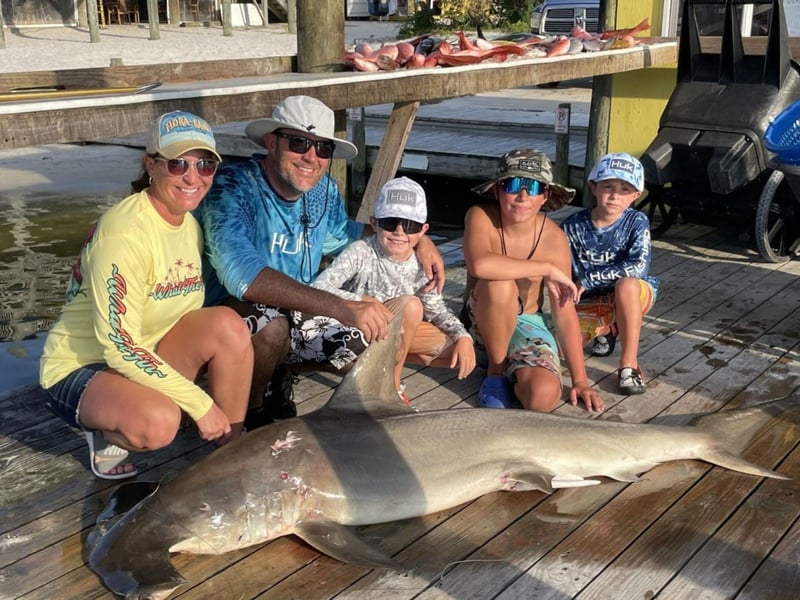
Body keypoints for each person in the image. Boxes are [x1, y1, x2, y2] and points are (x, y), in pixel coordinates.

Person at [196, 95, 445, 429]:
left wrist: (420, 240)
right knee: (271, 327)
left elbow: (351, 233)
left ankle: (285, 375)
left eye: (323, 148)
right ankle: (252, 413)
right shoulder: (232, 186)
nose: (311, 157)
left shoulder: (321, 191)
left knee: (370, 339)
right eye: (299, 143)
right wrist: (339, 306)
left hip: (301, 310)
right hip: (234, 311)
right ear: (272, 142)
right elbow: (242, 276)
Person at [40, 111, 253, 480]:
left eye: (205, 165)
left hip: (144, 351)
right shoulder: (124, 234)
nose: (192, 177)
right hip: (81, 367)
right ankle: (106, 433)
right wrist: (199, 402)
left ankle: (229, 454)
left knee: (229, 326)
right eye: (177, 164)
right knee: (159, 423)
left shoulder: (189, 223)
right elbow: (118, 346)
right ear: (150, 165)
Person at [463, 149, 605, 413]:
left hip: (528, 323)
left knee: (542, 396)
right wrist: (546, 268)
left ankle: (516, 373)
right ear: (497, 190)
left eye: (533, 186)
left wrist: (580, 380)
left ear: (545, 196)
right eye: (514, 185)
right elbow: (480, 264)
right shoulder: (480, 216)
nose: (523, 196)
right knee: (499, 283)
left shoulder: (554, 238)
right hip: (482, 322)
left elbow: (564, 312)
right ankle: (495, 372)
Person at [312, 177, 476, 403]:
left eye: (410, 225)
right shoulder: (360, 250)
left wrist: (464, 336)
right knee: (411, 305)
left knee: (454, 351)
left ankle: (384, 369)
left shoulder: (421, 263)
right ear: (374, 222)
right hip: (356, 328)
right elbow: (318, 287)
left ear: (423, 230)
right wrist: (361, 301)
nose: (399, 231)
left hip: (392, 333)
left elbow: (437, 309)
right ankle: (393, 384)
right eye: (390, 222)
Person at [561, 152, 659, 395]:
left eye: (625, 189)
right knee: (564, 350)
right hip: (589, 299)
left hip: (631, 294)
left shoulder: (637, 221)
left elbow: (639, 267)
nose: (615, 195)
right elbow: (559, 267)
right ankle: (609, 328)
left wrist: (590, 279)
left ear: (636, 195)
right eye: (608, 186)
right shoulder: (572, 225)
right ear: (594, 187)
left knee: (627, 284)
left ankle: (629, 365)